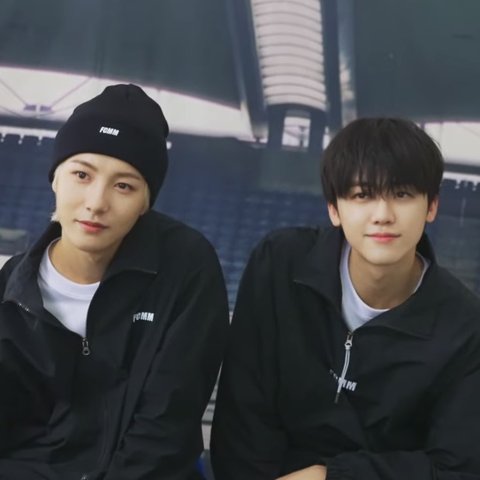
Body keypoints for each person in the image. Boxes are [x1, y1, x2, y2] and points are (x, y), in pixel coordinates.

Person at [210, 118, 480, 480]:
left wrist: (331, 476)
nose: (383, 216)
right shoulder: (280, 264)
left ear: (431, 206)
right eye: (362, 195)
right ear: (334, 209)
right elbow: (243, 411)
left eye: (402, 194)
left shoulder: (465, 328)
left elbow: (456, 469)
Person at [0, 84, 229, 479]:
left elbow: (165, 428)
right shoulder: (13, 289)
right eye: (81, 175)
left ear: (145, 202)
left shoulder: (186, 267)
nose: (96, 202)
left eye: (124, 186)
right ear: (55, 180)